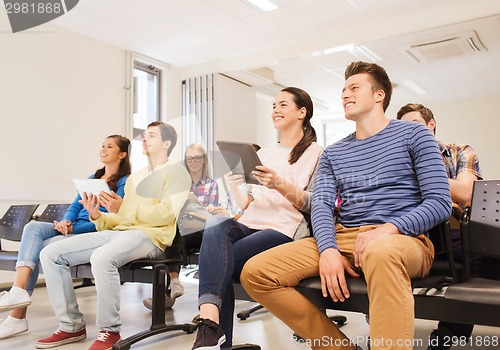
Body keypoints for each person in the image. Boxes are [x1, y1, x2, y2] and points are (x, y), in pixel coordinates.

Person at [241, 61, 452, 350]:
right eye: (342, 91)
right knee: (256, 272)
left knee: (381, 251)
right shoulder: (334, 152)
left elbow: (440, 202)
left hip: (402, 239)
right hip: (344, 237)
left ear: (379, 95)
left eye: (354, 88)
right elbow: (322, 206)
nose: (345, 95)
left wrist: (387, 230)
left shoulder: (415, 136)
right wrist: (327, 249)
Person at [36, 121, 191, 350]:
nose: (145, 139)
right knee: (50, 253)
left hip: (151, 236)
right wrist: (98, 215)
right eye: (144, 135)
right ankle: (71, 325)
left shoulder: (177, 172)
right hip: (120, 232)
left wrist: (124, 210)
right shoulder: (137, 177)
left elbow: (167, 215)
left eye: (152, 136)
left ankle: (109, 331)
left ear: (167, 144)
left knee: (102, 258)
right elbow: (121, 218)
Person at [191, 87, 323, 350]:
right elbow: (249, 203)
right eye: (273, 105)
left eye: (283, 105)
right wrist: (234, 185)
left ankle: (214, 335)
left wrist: (278, 184)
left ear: (302, 112)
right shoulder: (263, 153)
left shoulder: (318, 153)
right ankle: (211, 321)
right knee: (215, 224)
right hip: (250, 223)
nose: (275, 110)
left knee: (220, 264)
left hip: (283, 229)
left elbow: (313, 204)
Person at [0, 135, 131, 340]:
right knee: (33, 228)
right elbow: (75, 205)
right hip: (73, 227)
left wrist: (73, 229)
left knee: (39, 247)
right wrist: (66, 221)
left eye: (110, 146)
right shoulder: (92, 178)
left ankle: (17, 317)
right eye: (102, 145)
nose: (103, 149)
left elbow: (111, 218)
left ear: (122, 154)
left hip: (91, 230)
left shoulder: (125, 182)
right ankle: (18, 290)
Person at [397, 103, 500, 350]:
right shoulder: (397, 159)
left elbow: (466, 193)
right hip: (413, 233)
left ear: (431, 125)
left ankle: (449, 332)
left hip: (453, 232)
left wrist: (425, 171)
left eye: (414, 125)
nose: (408, 133)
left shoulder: (460, 152)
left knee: (486, 249)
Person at [142, 143, 220, 310]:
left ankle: (169, 291)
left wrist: (207, 209)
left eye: (197, 158)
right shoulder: (179, 182)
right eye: (189, 158)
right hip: (181, 227)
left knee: (171, 235)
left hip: (200, 229)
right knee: (170, 232)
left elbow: (211, 213)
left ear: (204, 160)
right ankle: (174, 283)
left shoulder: (211, 184)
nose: (193, 162)